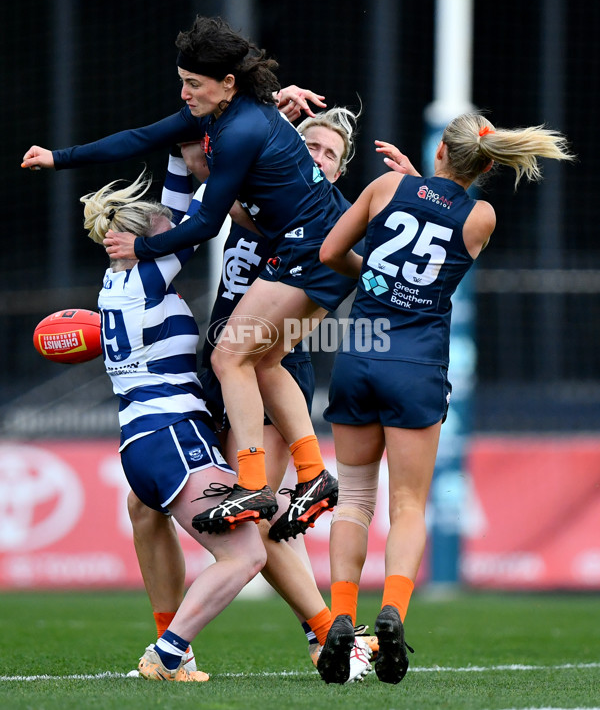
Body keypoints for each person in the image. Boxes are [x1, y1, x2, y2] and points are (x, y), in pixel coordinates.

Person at [22, 16, 356, 541]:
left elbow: (204, 222)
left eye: (193, 84)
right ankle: (313, 474)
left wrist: (142, 246)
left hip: (309, 250)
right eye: (182, 81)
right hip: (323, 248)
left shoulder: (241, 129)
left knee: (229, 355)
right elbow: (139, 137)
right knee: (261, 360)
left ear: (228, 84)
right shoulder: (229, 114)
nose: (184, 93)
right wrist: (58, 158)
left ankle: (254, 482)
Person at [315, 113, 575, 685]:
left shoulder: (384, 187)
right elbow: (438, 227)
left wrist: (376, 272)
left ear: (438, 151)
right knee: (407, 505)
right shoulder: (482, 216)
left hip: (359, 354)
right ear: (487, 166)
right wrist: (429, 187)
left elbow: (333, 252)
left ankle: (339, 615)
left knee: (354, 498)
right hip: (417, 365)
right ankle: (394, 613)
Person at [125, 107, 374, 681]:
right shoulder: (253, 193)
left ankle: (331, 636)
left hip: (268, 372)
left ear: (334, 175)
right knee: (143, 504)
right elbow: (199, 152)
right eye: (307, 144)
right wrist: (259, 113)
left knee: (253, 521)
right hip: (217, 369)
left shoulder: (321, 224)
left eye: (328, 154)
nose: (314, 156)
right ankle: (174, 640)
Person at [81, 169, 267, 682]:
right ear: (145, 242)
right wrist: (244, 136)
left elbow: (178, 205)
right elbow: (201, 215)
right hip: (173, 437)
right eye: (164, 233)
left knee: (150, 515)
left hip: (141, 443)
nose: (174, 237)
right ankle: (166, 652)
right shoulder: (145, 273)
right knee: (245, 554)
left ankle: (174, 650)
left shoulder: (116, 279)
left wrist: (184, 154)